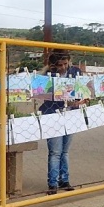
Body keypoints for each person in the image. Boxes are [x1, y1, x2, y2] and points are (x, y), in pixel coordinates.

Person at [37, 51, 84, 195]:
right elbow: (42, 94)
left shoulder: (76, 72)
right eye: (59, 65)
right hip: (53, 115)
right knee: (55, 151)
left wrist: (82, 100)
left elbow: (84, 91)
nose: (63, 67)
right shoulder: (47, 76)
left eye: (65, 64)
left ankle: (64, 179)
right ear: (53, 65)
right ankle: (53, 183)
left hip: (71, 115)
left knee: (65, 151)